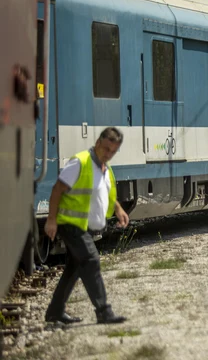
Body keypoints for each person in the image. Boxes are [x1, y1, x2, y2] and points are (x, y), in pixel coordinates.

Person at [44, 127, 129, 325]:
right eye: (106, 149)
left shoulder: (105, 168)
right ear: (98, 142)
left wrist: (118, 209)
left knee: (74, 269)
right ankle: (103, 312)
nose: (108, 154)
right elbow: (57, 190)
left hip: (84, 226)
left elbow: (103, 193)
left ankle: (54, 312)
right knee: (91, 260)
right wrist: (51, 219)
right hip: (70, 223)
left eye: (113, 151)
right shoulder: (80, 162)